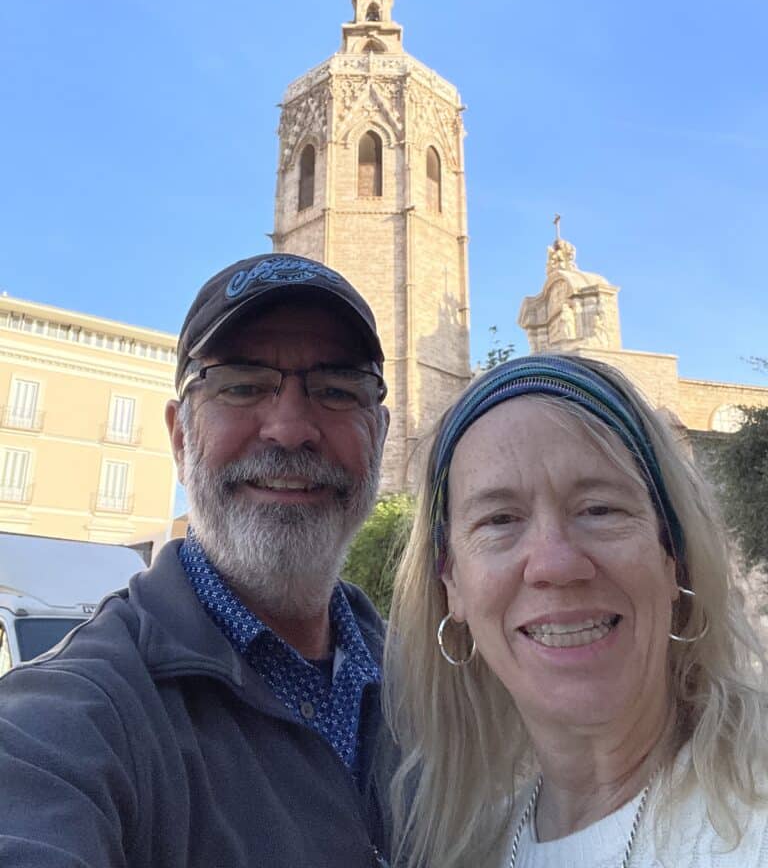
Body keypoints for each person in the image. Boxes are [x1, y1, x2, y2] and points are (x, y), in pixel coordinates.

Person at [0, 253, 394, 868]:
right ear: (180, 437)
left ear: (380, 436)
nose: (290, 428)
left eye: (339, 391)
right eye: (240, 385)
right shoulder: (68, 718)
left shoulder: (439, 692)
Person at [384, 354, 768, 868]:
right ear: (451, 583)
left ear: (671, 554)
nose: (555, 564)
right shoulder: (470, 850)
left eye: (599, 509)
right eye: (499, 520)